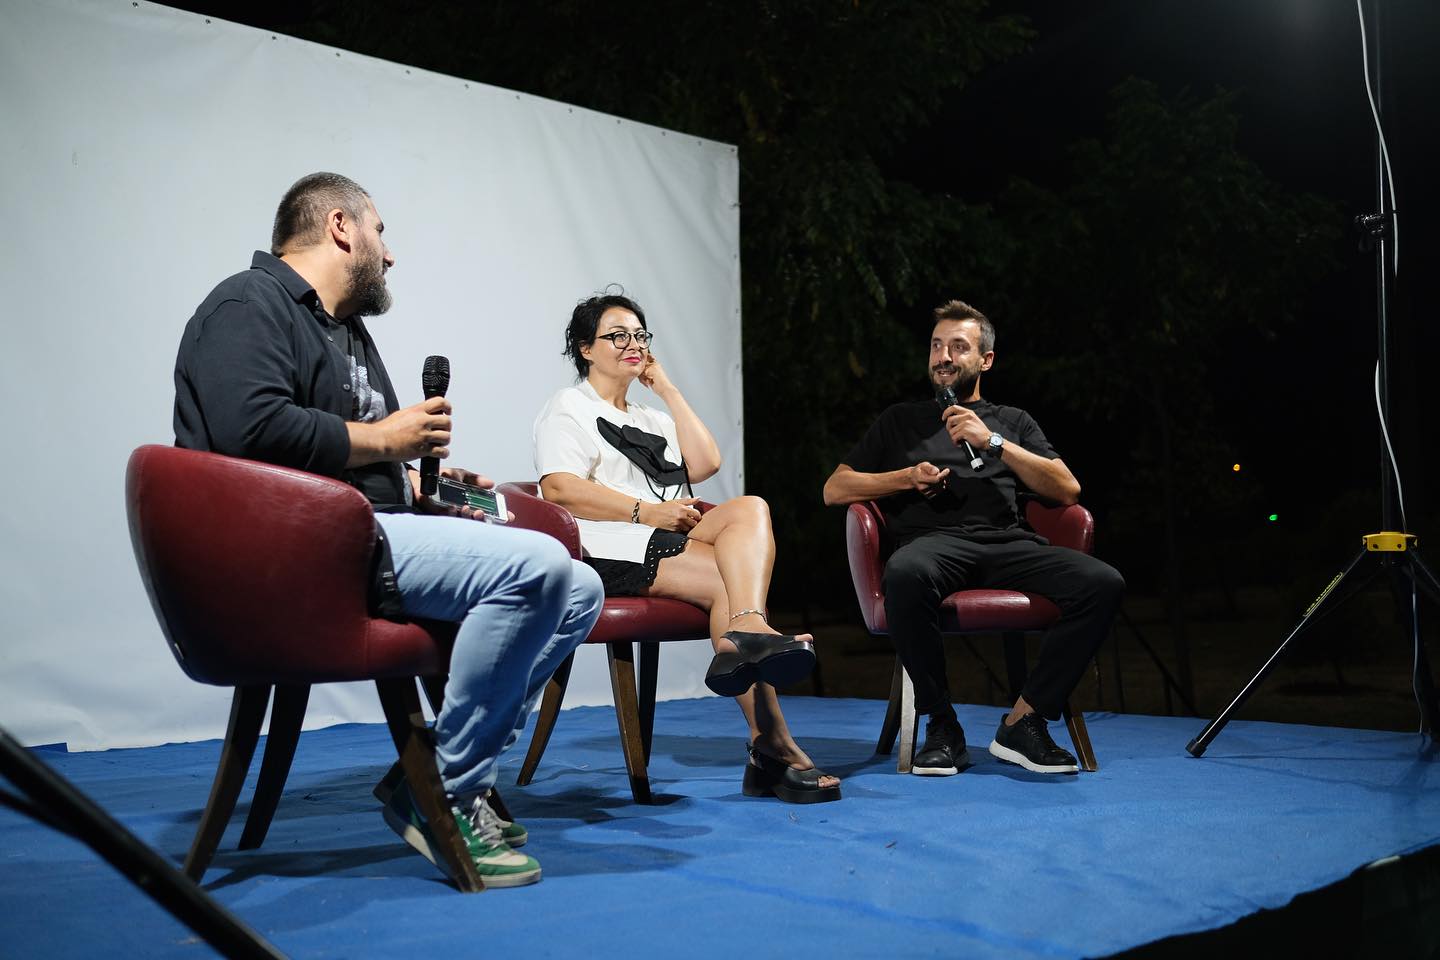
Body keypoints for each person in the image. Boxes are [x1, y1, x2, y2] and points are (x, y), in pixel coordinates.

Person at [173, 172, 604, 886]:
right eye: (382, 232)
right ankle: (452, 788)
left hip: (365, 541)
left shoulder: (347, 334)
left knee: (579, 585)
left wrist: (426, 490)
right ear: (341, 226)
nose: (389, 254)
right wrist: (385, 443)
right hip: (297, 559)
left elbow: (359, 459)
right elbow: (247, 430)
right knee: (538, 570)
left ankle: (433, 770)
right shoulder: (245, 304)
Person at [532, 291, 840, 804]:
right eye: (617, 335)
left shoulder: (652, 418)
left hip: (666, 537)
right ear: (586, 348)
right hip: (610, 548)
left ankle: (746, 631)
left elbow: (707, 462)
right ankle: (773, 743)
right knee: (727, 583)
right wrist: (645, 512)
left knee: (752, 507)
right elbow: (559, 489)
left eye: (640, 335)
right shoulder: (569, 407)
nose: (633, 344)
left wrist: (669, 390)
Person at [823, 299, 1124, 776]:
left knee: (1103, 583)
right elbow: (835, 489)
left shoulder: (1011, 420)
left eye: (958, 347)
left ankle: (1024, 722)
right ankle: (942, 725)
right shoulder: (901, 421)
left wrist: (993, 442)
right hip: (933, 546)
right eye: (937, 345)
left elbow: (1067, 488)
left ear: (985, 360)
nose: (943, 356)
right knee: (903, 572)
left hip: (1009, 543)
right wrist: (904, 478)